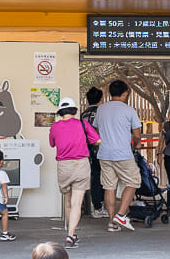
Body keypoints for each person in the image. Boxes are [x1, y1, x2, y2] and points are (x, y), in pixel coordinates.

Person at [49, 97, 101, 249]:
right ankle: (71, 234)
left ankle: (71, 232)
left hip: (63, 166)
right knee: (76, 203)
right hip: (80, 165)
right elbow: (97, 140)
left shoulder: (55, 126)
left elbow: (52, 143)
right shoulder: (83, 124)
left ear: (60, 111)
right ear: (74, 110)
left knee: (68, 201)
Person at [93, 80, 142, 232]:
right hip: (122, 153)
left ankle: (111, 222)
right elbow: (137, 134)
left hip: (104, 153)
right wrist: (136, 144)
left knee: (109, 187)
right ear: (125, 93)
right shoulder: (129, 110)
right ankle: (121, 214)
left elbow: (96, 129)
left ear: (109, 92)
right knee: (134, 181)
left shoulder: (101, 109)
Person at [80, 87, 107, 218]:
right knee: (106, 178)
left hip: (87, 150)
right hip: (102, 149)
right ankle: (105, 206)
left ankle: (97, 207)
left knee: (94, 178)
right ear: (101, 99)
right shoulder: (102, 112)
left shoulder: (83, 114)